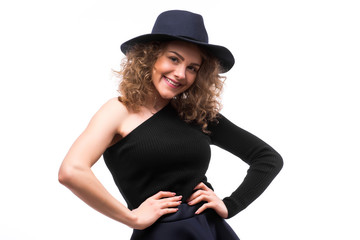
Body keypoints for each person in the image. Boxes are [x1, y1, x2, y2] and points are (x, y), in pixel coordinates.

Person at [58, 10, 283, 240]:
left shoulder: (197, 114)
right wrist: (131, 218)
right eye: (173, 59)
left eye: (192, 68)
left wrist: (231, 204)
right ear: (150, 56)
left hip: (210, 230)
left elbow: (267, 158)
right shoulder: (118, 110)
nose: (180, 74)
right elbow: (72, 171)